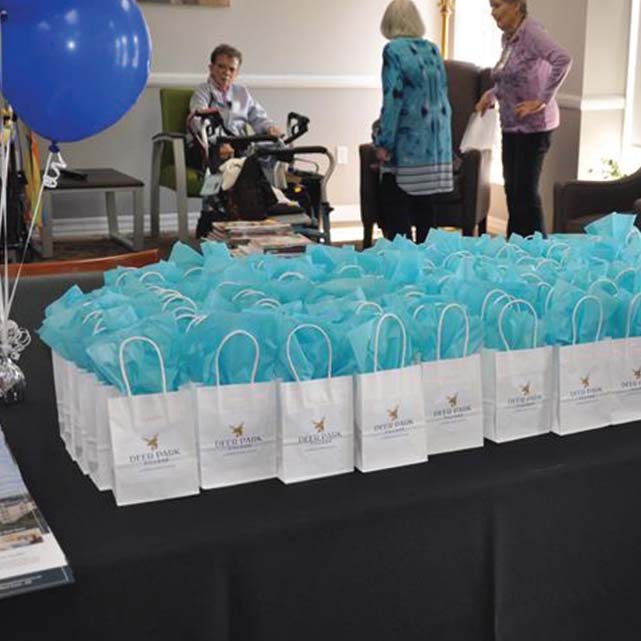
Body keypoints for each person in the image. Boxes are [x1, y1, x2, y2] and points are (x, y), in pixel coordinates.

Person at [475, 0, 571, 238]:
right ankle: (516, 248)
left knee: (526, 193)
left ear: (516, 5)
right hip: (511, 126)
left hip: (535, 128)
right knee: (513, 191)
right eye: (491, 7)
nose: (493, 13)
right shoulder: (508, 38)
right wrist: (490, 95)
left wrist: (542, 100)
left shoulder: (532, 33)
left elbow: (563, 60)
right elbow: (507, 78)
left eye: (498, 6)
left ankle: (538, 252)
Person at [374, 0, 453, 244]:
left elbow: (393, 99)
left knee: (395, 205)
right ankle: (429, 260)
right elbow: (442, 96)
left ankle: (403, 258)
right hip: (436, 147)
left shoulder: (393, 50)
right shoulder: (433, 49)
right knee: (426, 209)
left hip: (408, 144)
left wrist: (384, 141)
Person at [187, 44, 283, 236]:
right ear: (211, 68)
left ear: (237, 72)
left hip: (238, 147)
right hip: (206, 146)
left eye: (231, 69)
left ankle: (269, 210)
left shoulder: (242, 93)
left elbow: (258, 117)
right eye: (221, 67)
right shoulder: (203, 91)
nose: (226, 73)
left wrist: (269, 128)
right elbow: (198, 121)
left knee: (273, 150)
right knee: (227, 160)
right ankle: (216, 217)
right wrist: (219, 142)